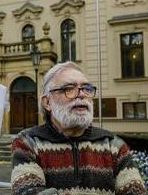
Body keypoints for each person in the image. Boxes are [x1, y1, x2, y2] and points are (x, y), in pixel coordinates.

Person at [11, 61, 146, 195]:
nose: (81, 94)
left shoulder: (114, 145)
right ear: (47, 102)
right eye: (69, 88)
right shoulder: (28, 142)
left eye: (86, 89)